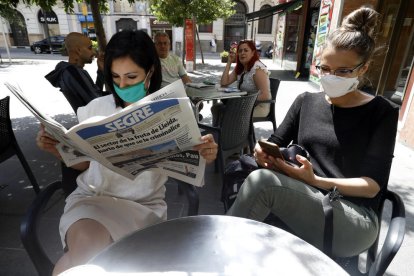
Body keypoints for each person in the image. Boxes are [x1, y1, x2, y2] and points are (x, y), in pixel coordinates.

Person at [36, 30, 218, 275]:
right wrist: (58, 151)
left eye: (131, 77)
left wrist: (205, 154)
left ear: (150, 72)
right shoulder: (95, 109)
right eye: (115, 76)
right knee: (85, 257)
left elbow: (189, 164)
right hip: (94, 200)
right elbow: (84, 165)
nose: (122, 85)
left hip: (145, 206)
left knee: (94, 266)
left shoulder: (171, 111)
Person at [227, 7, 399, 257]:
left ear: (363, 69)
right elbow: (275, 142)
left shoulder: (382, 112)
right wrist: (262, 152)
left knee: (263, 184)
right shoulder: (306, 100)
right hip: (304, 196)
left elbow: (372, 186)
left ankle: (218, 256)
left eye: (343, 71)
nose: (331, 77)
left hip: (352, 216)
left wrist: (315, 181)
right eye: (325, 68)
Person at [213, 40, 271, 125]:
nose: (242, 53)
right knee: (216, 108)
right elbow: (224, 83)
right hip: (244, 104)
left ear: (253, 53)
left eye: (246, 50)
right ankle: (219, 134)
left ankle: (233, 136)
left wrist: (242, 102)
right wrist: (229, 61)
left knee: (229, 113)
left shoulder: (257, 69)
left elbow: (265, 95)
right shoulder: (241, 68)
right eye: (240, 51)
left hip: (259, 106)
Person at [45, 32, 105, 113]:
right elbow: (96, 102)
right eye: (90, 48)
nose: (94, 52)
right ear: (78, 51)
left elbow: (95, 94)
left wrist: (101, 71)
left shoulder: (72, 71)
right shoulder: (72, 72)